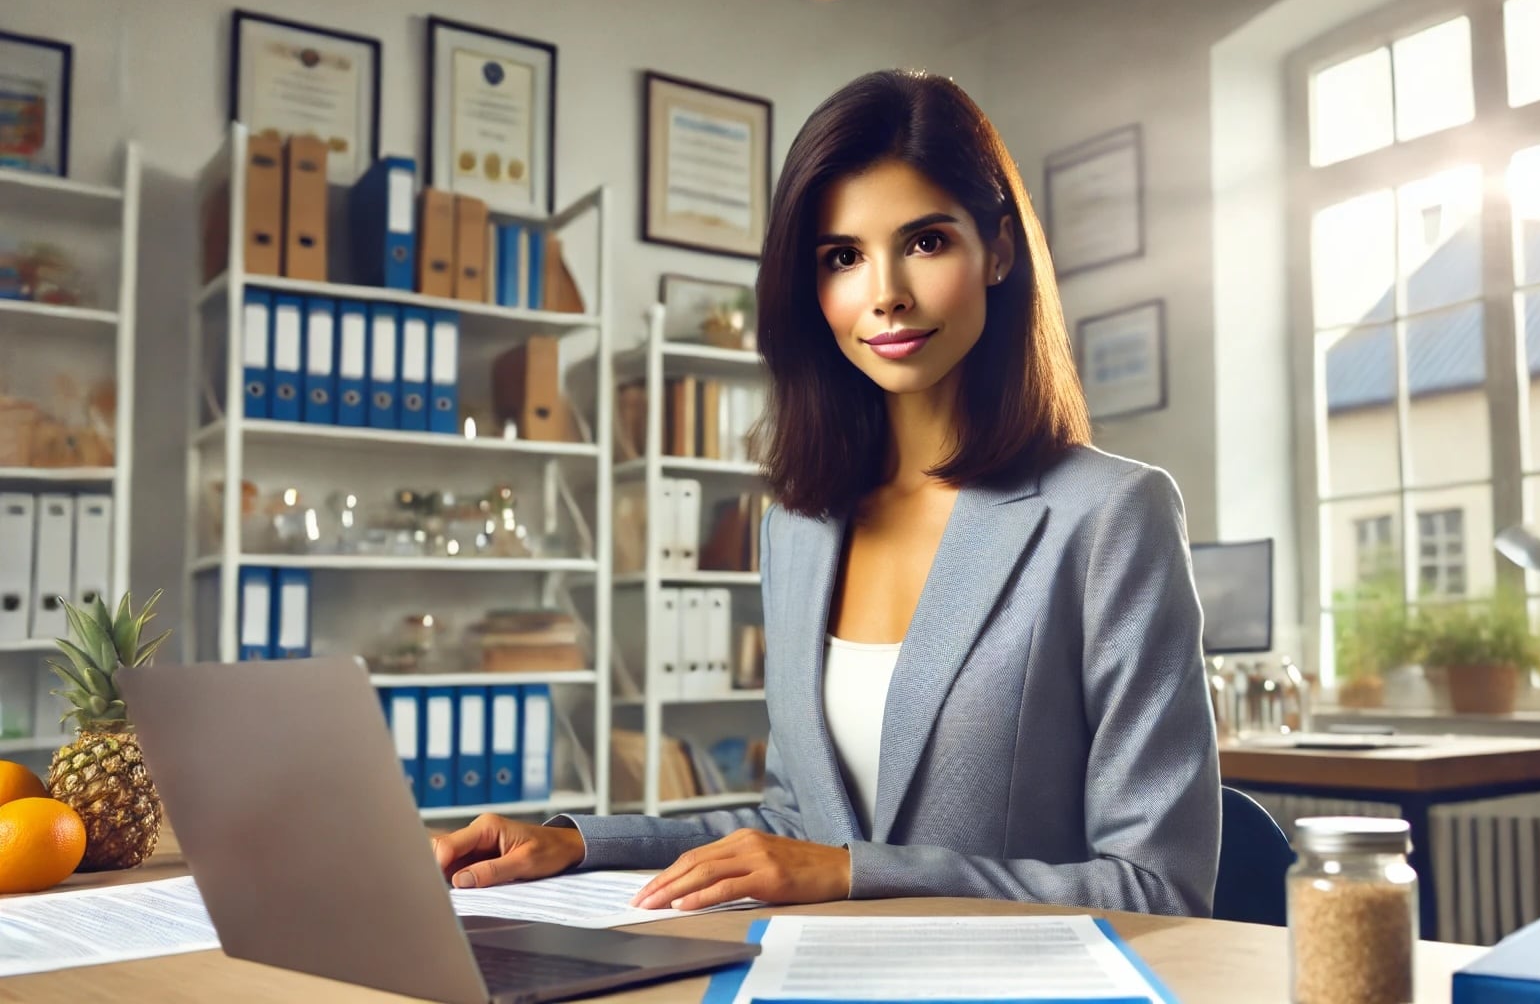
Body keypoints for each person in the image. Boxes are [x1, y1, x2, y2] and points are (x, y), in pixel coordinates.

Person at [433, 69, 1219, 917]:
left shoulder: (1109, 516)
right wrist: (580, 844)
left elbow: (1159, 888)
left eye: (925, 242)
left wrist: (852, 873)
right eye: (844, 257)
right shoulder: (799, 530)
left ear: (996, 250)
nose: (885, 293)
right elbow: (793, 825)